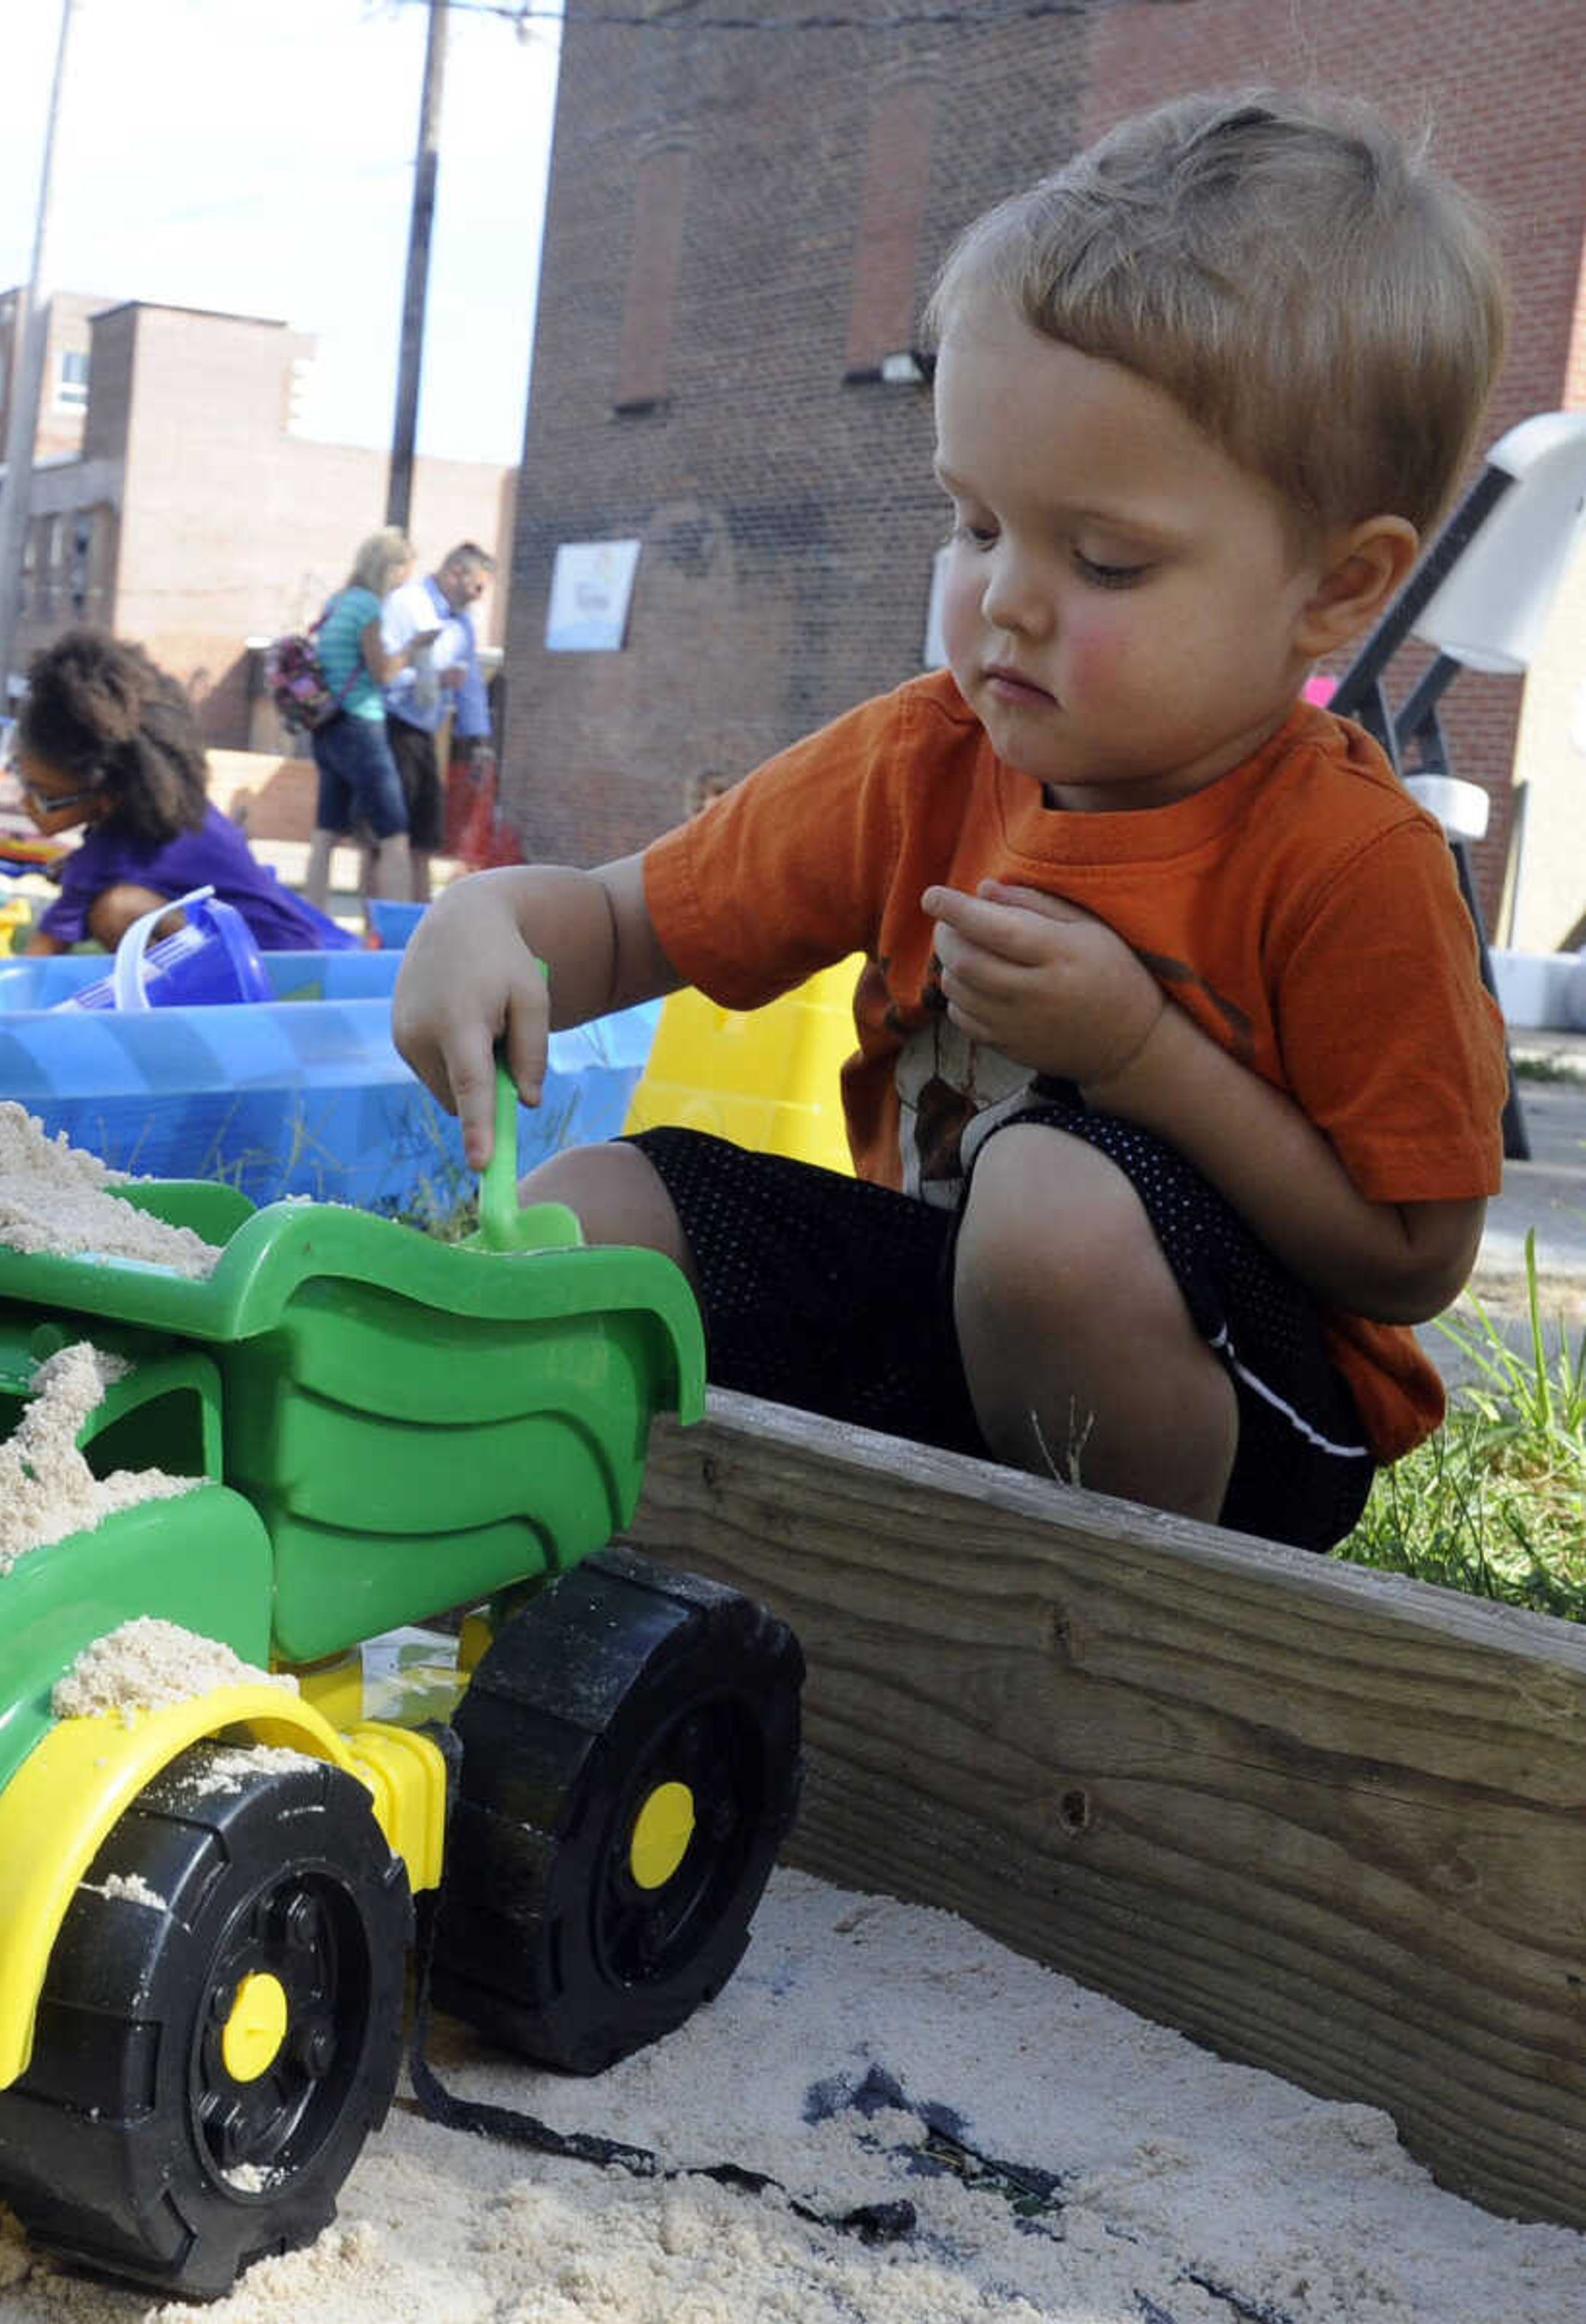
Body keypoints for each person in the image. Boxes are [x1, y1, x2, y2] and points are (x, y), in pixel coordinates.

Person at [392, 90, 1509, 1553]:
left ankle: (1107, 1636)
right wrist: (482, 921)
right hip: (941, 1311)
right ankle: (593, 1568)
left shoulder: (1351, 857)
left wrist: (1139, 1056)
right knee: (600, 1207)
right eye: (978, 524)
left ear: (1339, 587)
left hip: (1244, 1413)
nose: (1003, 598)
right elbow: (618, 923)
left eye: (1102, 559)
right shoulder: (927, 755)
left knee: (1052, 1206)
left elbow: (1414, 1257)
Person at [13, 629, 356, 958]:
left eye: (43, 796)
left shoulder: (104, 859)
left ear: (106, 795)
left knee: (116, 910)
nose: (25, 804)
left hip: (280, 973)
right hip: (297, 944)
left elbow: (43, 954)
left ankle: (195, 1002)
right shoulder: (182, 815)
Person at [298, 527, 425, 920]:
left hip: (326, 727)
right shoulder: (368, 606)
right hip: (361, 727)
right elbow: (383, 671)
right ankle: (402, 935)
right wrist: (413, 649)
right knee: (395, 835)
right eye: (404, 571)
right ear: (390, 568)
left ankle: (312, 922)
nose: (405, 581)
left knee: (325, 833)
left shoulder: (336, 603)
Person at [377, 541, 496, 902]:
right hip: (393, 725)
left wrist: (478, 740)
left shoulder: (462, 624)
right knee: (390, 836)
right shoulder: (407, 603)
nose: (478, 596)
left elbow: (471, 683)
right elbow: (382, 673)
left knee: (426, 838)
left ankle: (418, 920)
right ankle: (382, 924)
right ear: (455, 572)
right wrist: (432, 678)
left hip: (427, 732)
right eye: (476, 586)